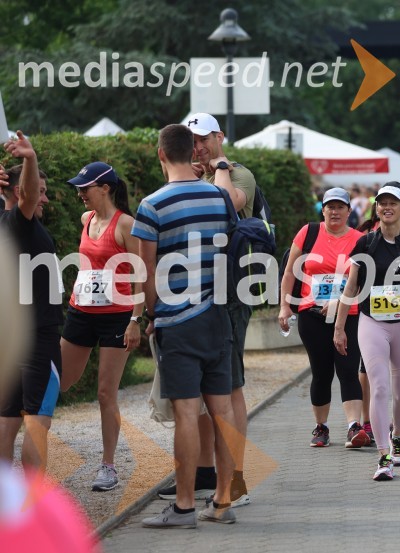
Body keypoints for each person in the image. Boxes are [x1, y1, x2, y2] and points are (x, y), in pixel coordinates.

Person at [134, 124, 237, 528]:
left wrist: (150, 315)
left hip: (178, 321)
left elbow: (146, 270)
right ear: (192, 153)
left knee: (187, 414)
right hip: (218, 315)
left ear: (161, 154)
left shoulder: (152, 205)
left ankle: (183, 507)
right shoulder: (219, 197)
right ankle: (224, 502)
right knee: (223, 411)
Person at [156, 113, 256, 507]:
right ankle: (203, 474)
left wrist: (219, 170)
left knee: (229, 390)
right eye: (192, 141)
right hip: (194, 298)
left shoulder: (237, 174)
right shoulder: (196, 178)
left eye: (204, 139)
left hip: (228, 295)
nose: (198, 147)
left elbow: (230, 203)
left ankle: (236, 480)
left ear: (219, 137)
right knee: (197, 393)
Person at [333, 184, 400, 481]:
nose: (387, 207)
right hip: (372, 322)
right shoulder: (365, 243)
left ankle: (397, 437)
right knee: (379, 388)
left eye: (393, 203)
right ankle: (383, 455)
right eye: (382, 203)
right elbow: (351, 287)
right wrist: (339, 327)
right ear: (376, 208)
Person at [59, 162, 143, 492]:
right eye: (79, 189)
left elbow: (140, 274)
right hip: (81, 311)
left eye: (85, 188)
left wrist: (135, 319)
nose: (80, 194)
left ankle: (108, 466)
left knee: (105, 393)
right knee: (57, 382)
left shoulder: (126, 225)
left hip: (116, 317)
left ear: (105, 188)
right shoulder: (86, 219)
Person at [278, 187, 368, 448]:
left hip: (349, 315)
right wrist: (284, 306)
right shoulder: (308, 232)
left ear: (349, 211)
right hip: (312, 314)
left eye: (340, 207)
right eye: (330, 207)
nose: (335, 212)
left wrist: (339, 302)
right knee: (321, 372)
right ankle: (321, 427)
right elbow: (289, 272)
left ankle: (353, 427)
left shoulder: (360, 240)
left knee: (348, 369)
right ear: (323, 210)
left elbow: (364, 282)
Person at [0, 133, 62, 473]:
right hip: (36, 339)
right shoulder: (18, 223)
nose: (45, 199)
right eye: (41, 191)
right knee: (36, 424)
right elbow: (26, 196)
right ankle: (32, 501)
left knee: (6, 421)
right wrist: (30, 157)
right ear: (19, 192)